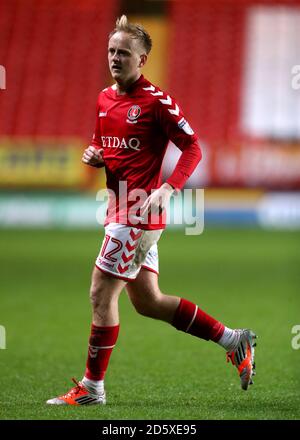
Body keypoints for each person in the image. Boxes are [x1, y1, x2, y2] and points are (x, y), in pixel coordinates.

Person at [47, 15, 256, 406]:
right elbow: (102, 144)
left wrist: (168, 187)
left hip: (138, 214)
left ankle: (93, 390)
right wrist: (96, 156)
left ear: (142, 60)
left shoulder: (157, 102)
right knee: (148, 302)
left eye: (124, 53)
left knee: (100, 293)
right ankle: (233, 339)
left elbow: (193, 147)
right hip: (118, 208)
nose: (115, 58)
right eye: (111, 51)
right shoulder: (104, 98)